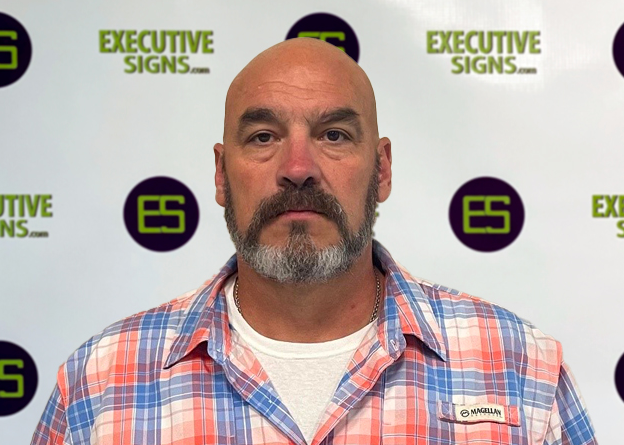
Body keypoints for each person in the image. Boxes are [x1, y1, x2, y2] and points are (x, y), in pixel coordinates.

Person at [32, 38, 597, 445]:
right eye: (263, 137)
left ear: (381, 169)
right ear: (221, 174)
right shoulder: (101, 383)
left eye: (333, 135)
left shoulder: (521, 370)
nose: (298, 168)